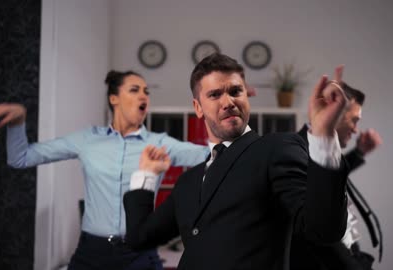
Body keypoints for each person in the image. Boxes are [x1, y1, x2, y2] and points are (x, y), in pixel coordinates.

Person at [122, 53, 352, 270]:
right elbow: (139, 238)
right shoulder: (188, 182)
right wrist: (147, 175)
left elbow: (323, 229)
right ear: (198, 108)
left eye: (235, 91)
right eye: (214, 95)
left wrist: (323, 135)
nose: (228, 101)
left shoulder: (277, 148)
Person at [0, 70, 209, 270]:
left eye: (147, 92)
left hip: (140, 252)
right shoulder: (86, 140)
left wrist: (234, 121)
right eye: (135, 90)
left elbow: (215, 155)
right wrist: (18, 121)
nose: (143, 96)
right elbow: (21, 158)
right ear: (114, 98)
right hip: (92, 252)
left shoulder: (160, 144)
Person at [291, 83, 383, 270]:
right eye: (354, 120)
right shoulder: (296, 153)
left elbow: (329, 180)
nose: (356, 130)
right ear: (334, 113)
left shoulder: (315, 150)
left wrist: (359, 152)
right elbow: (320, 234)